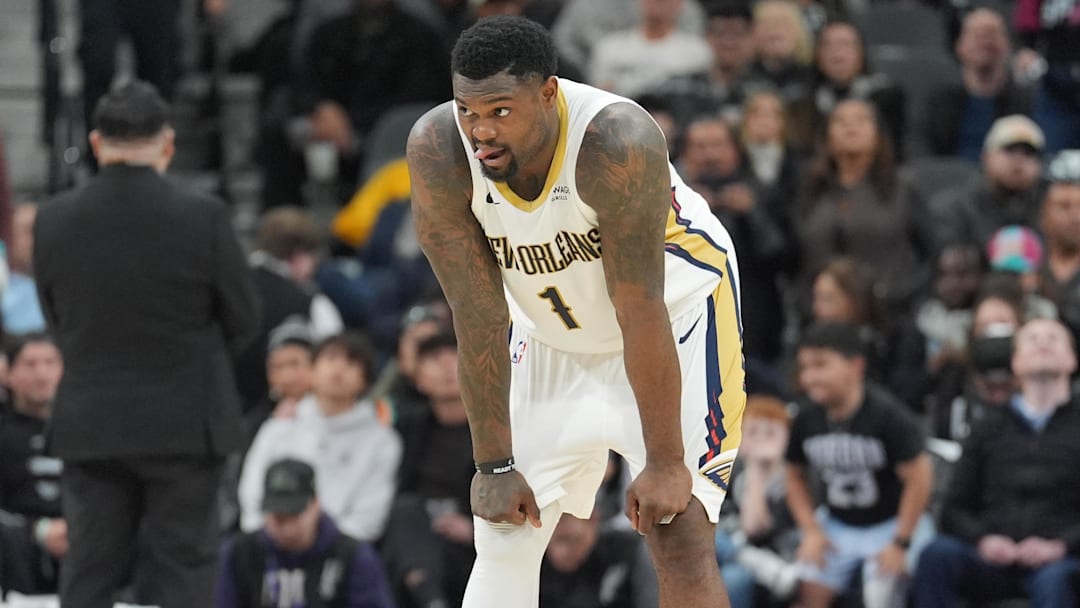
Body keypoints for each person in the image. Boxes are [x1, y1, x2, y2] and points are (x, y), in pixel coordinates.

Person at [406, 15, 745, 608]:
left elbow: (639, 308)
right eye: (468, 110)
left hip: (675, 319)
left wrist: (665, 462)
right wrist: (491, 464)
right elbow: (476, 314)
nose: (480, 130)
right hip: (550, 334)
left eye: (500, 112)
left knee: (679, 532)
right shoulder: (439, 151)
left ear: (548, 92)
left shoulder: (616, 141)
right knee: (505, 529)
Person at [33, 81, 261, 608]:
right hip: (186, 421)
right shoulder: (203, 216)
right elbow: (245, 318)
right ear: (167, 143)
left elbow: (56, 317)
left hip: (90, 422)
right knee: (184, 568)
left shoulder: (52, 219)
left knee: (89, 568)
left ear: (95, 143)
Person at [914, 318, 1080, 607]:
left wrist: (1060, 546)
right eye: (1032, 339)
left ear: (1072, 359)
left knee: (1057, 583)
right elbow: (953, 509)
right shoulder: (987, 427)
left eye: (1053, 338)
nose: (1042, 343)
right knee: (936, 555)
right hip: (992, 558)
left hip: (1062, 562)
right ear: (1015, 361)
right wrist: (982, 540)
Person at [786, 322, 935, 608]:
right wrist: (811, 530)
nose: (809, 377)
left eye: (820, 365)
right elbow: (793, 474)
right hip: (838, 523)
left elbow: (920, 478)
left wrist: (900, 542)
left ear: (855, 366)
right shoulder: (806, 418)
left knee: (882, 596)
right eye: (804, 368)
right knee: (807, 590)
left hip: (891, 523)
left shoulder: (888, 416)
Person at [239, 332, 402, 543]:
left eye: (352, 362)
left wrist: (321, 544)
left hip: (341, 551)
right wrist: (266, 537)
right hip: (269, 544)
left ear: (366, 380)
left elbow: (370, 515)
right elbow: (251, 495)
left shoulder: (383, 441)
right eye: (330, 358)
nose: (338, 369)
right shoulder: (278, 427)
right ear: (312, 370)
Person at [216, 458, 395, 608]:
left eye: (295, 514)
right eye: (278, 517)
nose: (286, 527)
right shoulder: (240, 553)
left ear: (316, 505)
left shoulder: (352, 555)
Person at [0, 333, 65, 594]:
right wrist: (38, 530)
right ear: (9, 374)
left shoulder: (92, 433)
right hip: (16, 537)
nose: (42, 374)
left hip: (84, 534)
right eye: (30, 364)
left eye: (51, 362)